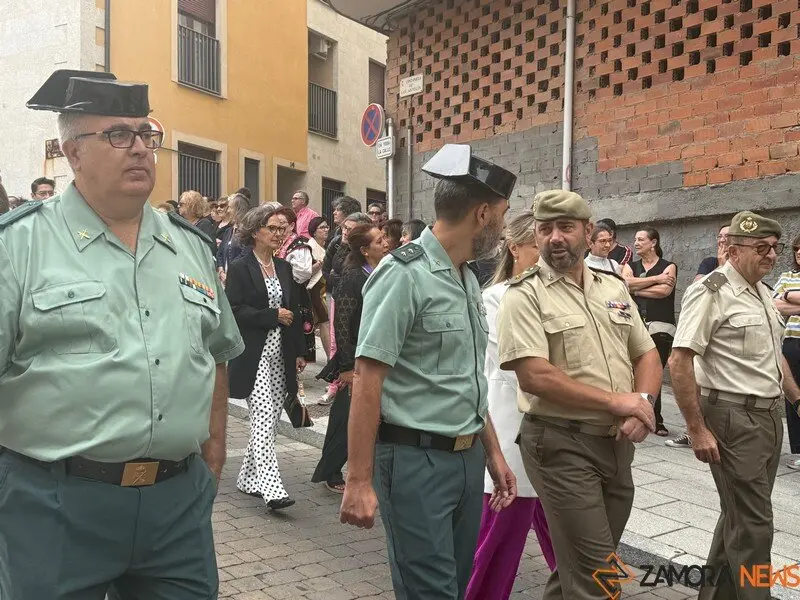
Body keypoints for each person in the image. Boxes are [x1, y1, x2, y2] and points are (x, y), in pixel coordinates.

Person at [0, 69, 244, 599]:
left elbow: (216, 353)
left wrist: (214, 456)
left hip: (176, 506)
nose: (138, 147)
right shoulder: (17, 248)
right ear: (73, 152)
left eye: (145, 134)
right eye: (117, 135)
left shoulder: (192, 248)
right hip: (54, 506)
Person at [340, 144, 518, 600]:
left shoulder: (466, 277)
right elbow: (367, 380)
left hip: (465, 458)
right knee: (431, 592)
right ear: (482, 214)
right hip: (415, 461)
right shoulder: (403, 275)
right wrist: (358, 479)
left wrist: (492, 454)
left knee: (454, 588)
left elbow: (467, 381)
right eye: (503, 214)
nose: (503, 227)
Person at [497, 190, 662, 600]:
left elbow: (647, 354)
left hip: (616, 444)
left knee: (585, 563)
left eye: (565, 227)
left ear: (588, 233)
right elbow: (535, 376)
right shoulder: (524, 295)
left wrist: (642, 403)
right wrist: (618, 402)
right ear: (534, 236)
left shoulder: (613, 287)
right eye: (545, 228)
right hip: (560, 443)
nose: (555, 237)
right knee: (598, 580)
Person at [668, 211, 800, 600]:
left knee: (738, 516)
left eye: (774, 248)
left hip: (766, 417)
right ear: (732, 249)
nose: (771, 255)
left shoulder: (760, 291)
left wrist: (796, 399)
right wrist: (695, 428)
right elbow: (679, 360)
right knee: (755, 524)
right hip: (731, 418)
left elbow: (774, 359)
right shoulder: (712, 289)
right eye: (761, 248)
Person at [465, 211, 555, 600]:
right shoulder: (494, 299)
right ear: (516, 248)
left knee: (567, 529)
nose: (550, 253)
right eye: (540, 245)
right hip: (510, 424)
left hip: (557, 428)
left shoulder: (564, 294)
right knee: (499, 535)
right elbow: (516, 361)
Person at [225, 205, 307, 511]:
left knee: (270, 417)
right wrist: (271, 315)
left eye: (283, 228)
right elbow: (234, 311)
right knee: (261, 417)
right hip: (253, 354)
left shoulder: (284, 267)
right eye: (273, 228)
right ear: (256, 230)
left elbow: (295, 314)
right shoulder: (240, 266)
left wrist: (300, 352)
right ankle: (272, 489)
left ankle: (248, 478)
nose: (279, 233)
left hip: (280, 355)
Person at [313, 223, 389, 493]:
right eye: (379, 240)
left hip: (376, 357)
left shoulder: (382, 273)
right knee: (346, 418)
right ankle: (332, 471)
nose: (386, 243)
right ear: (364, 249)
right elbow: (342, 323)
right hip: (355, 358)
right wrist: (346, 367)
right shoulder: (354, 277)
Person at [627, 227, 677, 437]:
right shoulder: (630, 265)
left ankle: (655, 418)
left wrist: (635, 288)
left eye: (641, 239)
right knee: (632, 371)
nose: (636, 243)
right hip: (635, 324)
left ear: (653, 242)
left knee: (654, 370)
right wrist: (656, 279)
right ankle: (634, 413)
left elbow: (665, 291)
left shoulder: (669, 266)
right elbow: (624, 284)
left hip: (661, 326)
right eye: (635, 239)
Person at [772, 235, 800, 470]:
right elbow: (774, 306)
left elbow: (783, 303)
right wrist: (786, 297)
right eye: (796, 249)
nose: (799, 252)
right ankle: (799, 450)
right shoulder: (787, 277)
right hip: (792, 342)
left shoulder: (788, 285)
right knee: (794, 395)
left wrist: (789, 295)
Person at [307, 216, 331, 360]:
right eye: (322, 227)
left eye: (327, 226)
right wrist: (322, 262)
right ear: (314, 231)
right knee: (324, 321)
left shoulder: (327, 246)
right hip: (315, 288)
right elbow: (307, 271)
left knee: (324, 322)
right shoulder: (310, 246)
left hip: (325, 288)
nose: (326, 229)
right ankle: (330, 357)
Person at [216, 193, 250, 284]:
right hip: (225, 280)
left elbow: (245, 255)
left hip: (240, 281)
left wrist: (231, 275)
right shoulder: (228, 231)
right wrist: (221, 271)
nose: (227, 211)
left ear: (238, 209)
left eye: (230, 207)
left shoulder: (247, 232)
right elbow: (220, 253)